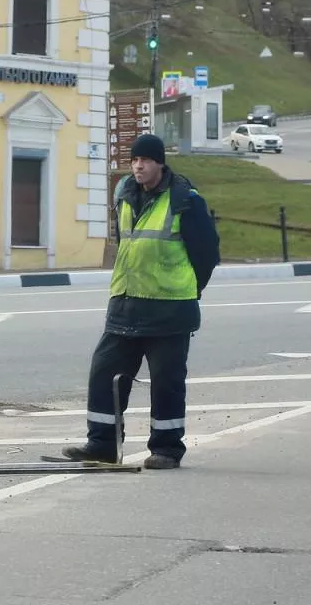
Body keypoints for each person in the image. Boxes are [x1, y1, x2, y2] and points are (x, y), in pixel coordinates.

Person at [61, 133, 220, 470]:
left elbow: (207, 254)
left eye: (145, 160)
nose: (138, 165)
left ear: (160, 163)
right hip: (125, 305)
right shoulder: (125, 195)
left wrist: (190, 289)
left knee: (166, 382)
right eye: (134, 160)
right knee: (103, 373)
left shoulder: (185, 201)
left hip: (169, 310)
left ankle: (166, 449)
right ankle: (102, 444)